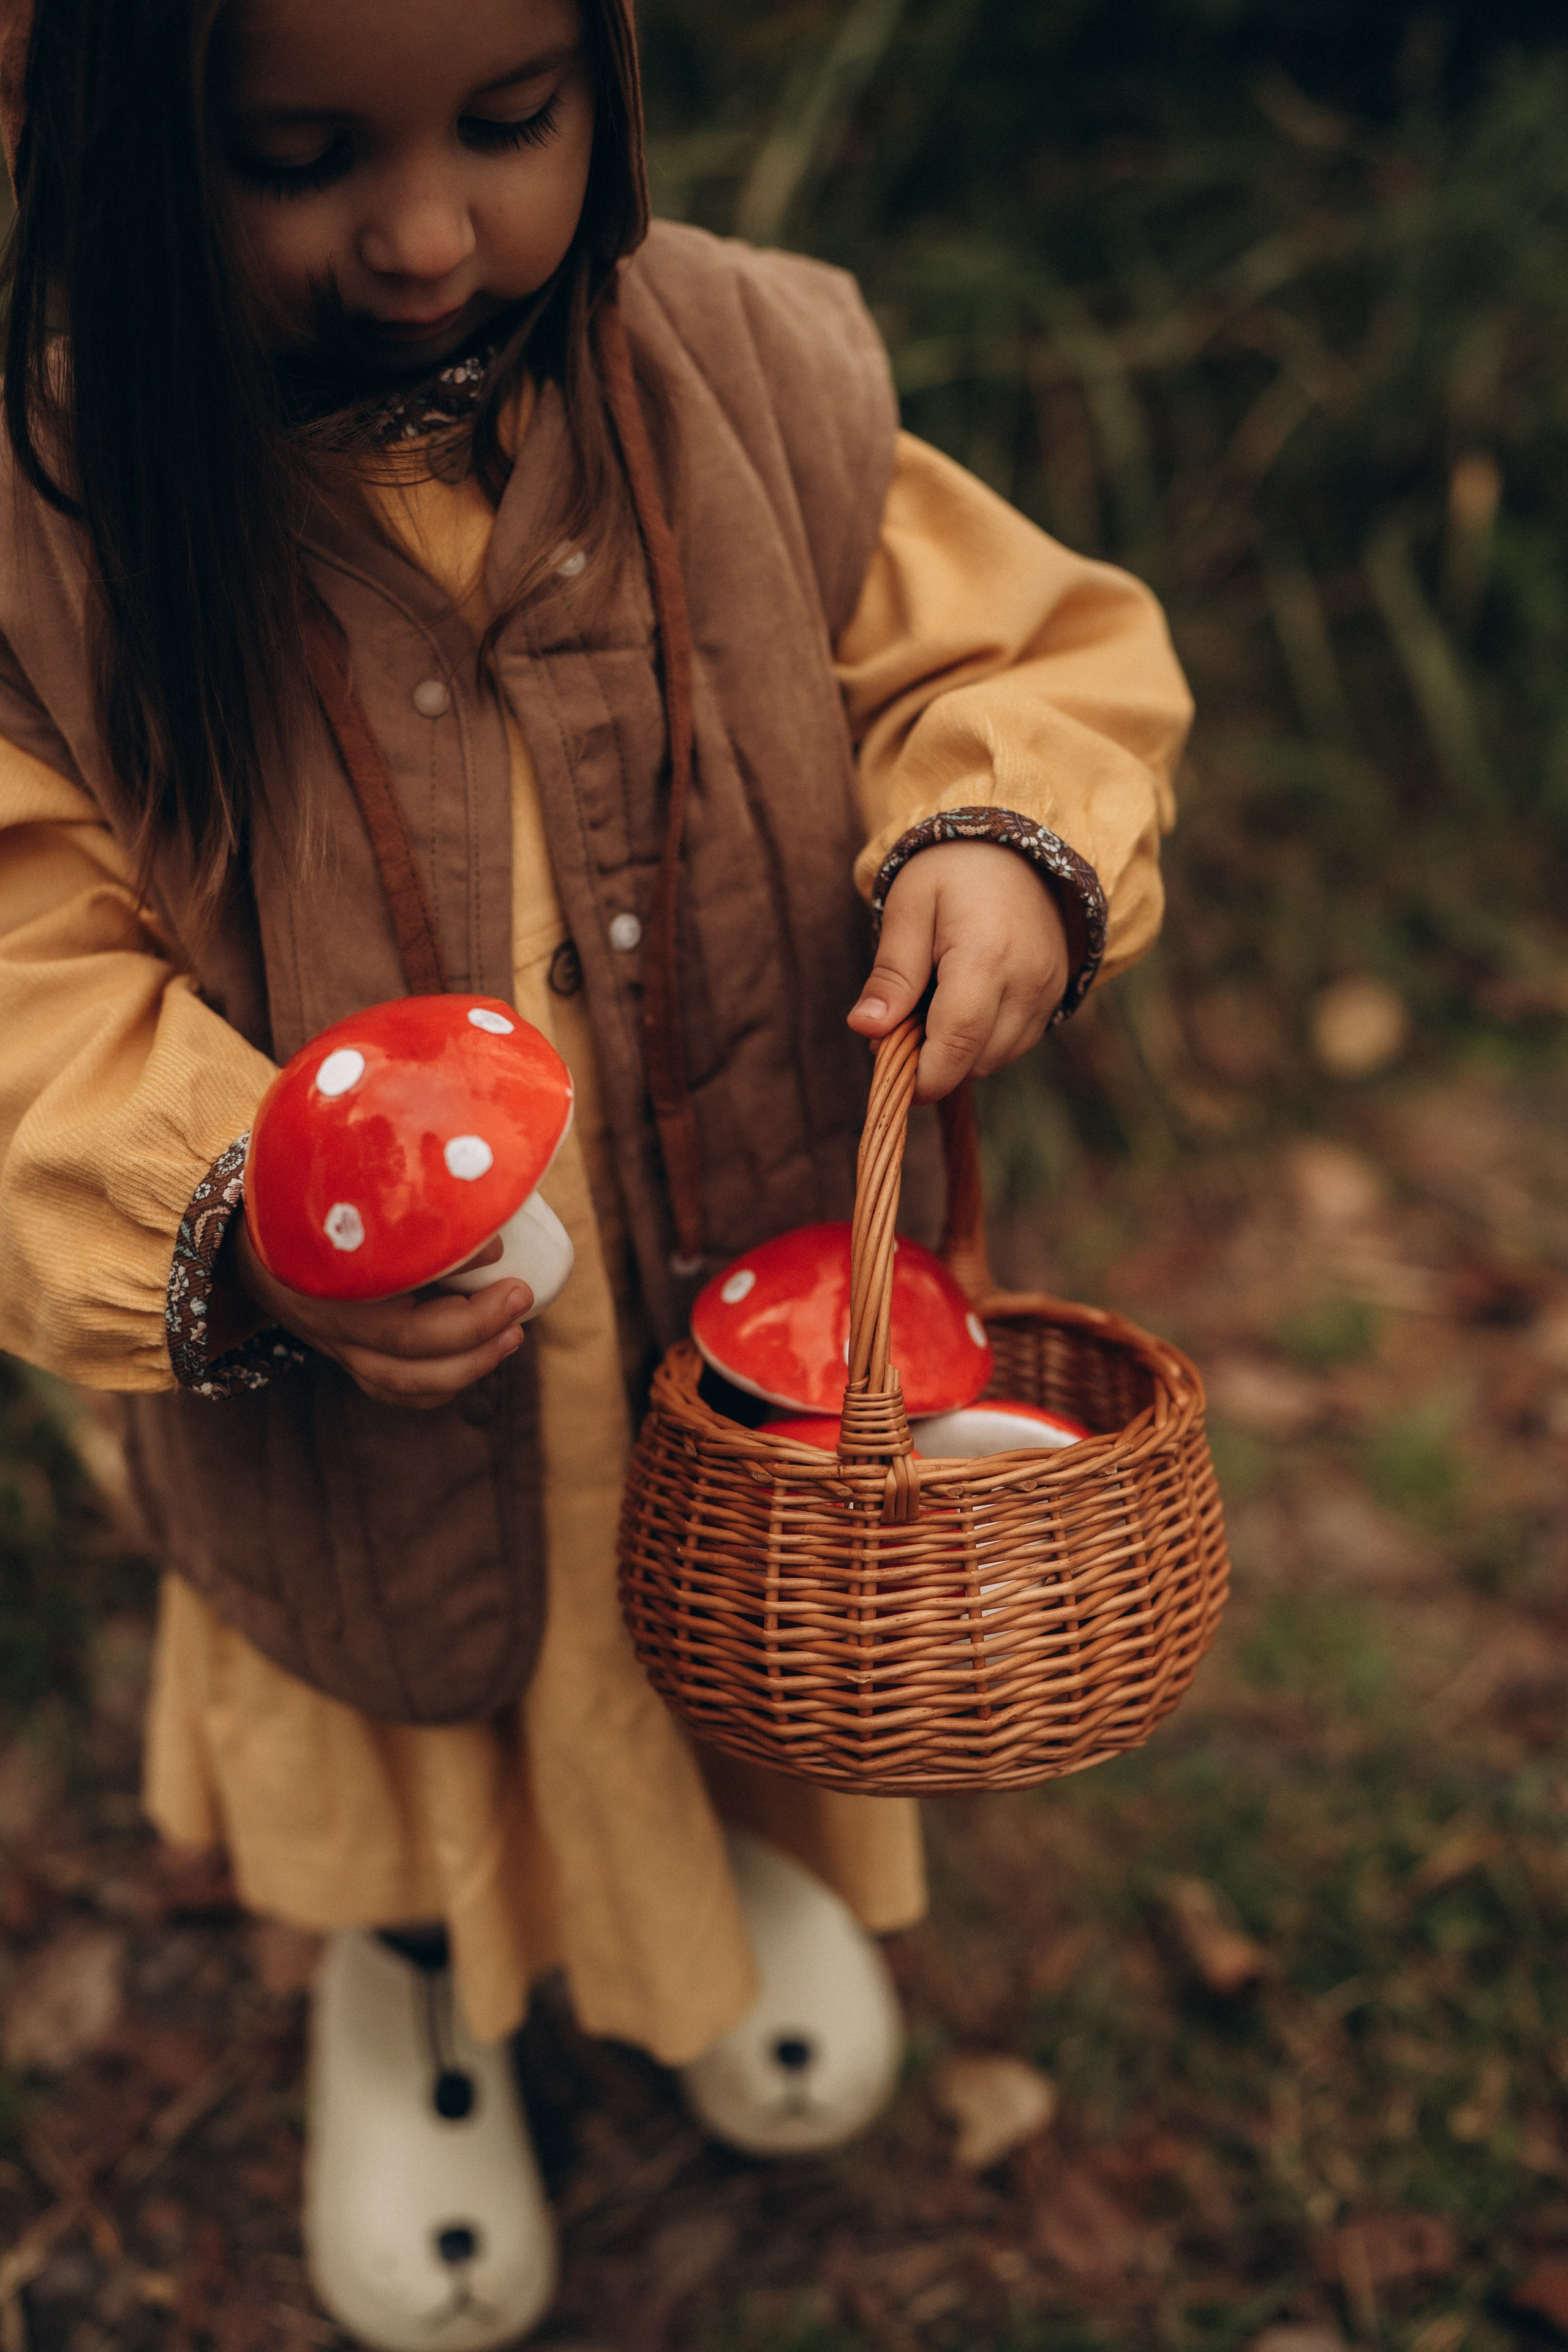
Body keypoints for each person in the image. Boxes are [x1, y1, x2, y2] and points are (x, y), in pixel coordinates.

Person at [0, 0, 1192, 2343]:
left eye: (513, 122)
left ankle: (714, 1897)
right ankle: (420, 1987)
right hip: (377, 1385)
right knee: (422, 1671)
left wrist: (1007, 842)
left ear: (607, 77)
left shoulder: (742, 376)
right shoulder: (63, 526)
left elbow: (1007, 650)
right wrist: (238, 1206)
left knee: (701, 1627)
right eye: (297, 155)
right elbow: (23, 966)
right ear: (121, 146)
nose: (430, 232)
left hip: (707, 1262)